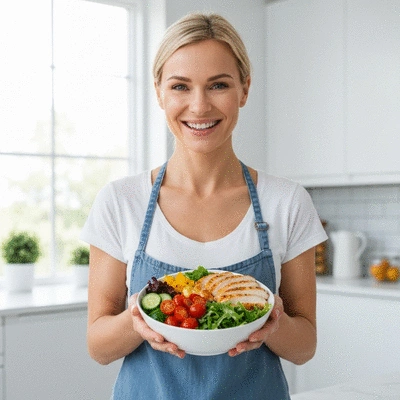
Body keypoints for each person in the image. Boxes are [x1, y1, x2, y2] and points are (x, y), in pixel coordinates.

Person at [81, 12, 328, 400]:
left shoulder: (287, 202)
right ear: (159, 92)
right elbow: (98, 346)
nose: (199, 106)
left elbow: (305, 346)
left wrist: (273, 322)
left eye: (218, 85)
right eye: (180, 86)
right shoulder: (121, 201)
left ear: (244, 90)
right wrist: (137, 320)